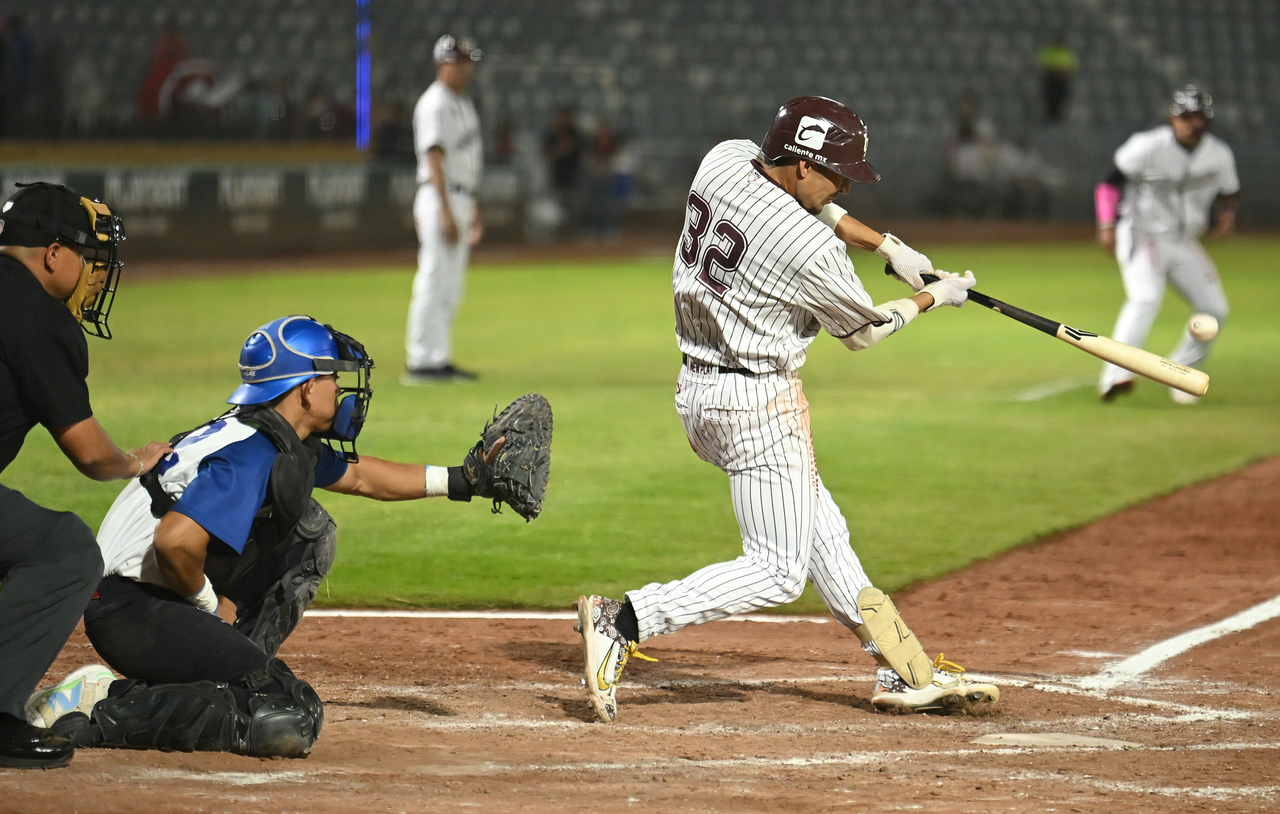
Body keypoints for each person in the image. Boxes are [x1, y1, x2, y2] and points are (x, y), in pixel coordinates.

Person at [575, 96, 1000, 723]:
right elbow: (864, 332)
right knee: (777, 572)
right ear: (803, 164)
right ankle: (625, 619)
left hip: (698, 392)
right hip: (756, 405)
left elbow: (813, 206)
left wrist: (886, 245)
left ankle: (903, 668)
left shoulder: (722, 160)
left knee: (823, 532)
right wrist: (935, 294)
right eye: (838, 172)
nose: (844, 184)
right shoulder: (808, 249)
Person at [24, 315, 509, 758]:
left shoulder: (269, 437)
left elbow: (365, 478)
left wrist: (464, 480)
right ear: (304, 389)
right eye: (332, 377)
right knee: (287, 717)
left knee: (309, 530)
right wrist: (208, 605)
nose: (341, 388)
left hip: (146, 595)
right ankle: (97, 705)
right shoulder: (251, 453)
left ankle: (234, 673)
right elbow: (174, 542)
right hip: (130, 608)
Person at [0, 182, 171, 769]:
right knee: (66, 551)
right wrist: (135, 461)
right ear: (52, 254)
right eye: (90, 260)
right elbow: (90, 454)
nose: (96, 276)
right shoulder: (35, 313)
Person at [1094, 86, 1238, 404]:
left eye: (1198, 117)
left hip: (1184, 241)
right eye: (1185, 116)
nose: (1192, 123)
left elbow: (1230, 192)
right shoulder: (1147, 146)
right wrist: (1107, 224)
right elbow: (1109, 182)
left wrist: (1227, 214)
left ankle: (1182, 372)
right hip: (1143, 233)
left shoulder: (1219, 154)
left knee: (1216, 311)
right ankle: (1114, 376)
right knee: (1145, 298)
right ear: (1172, 117)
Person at [402, 34, 484, 384]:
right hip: (441, 196)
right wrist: (447, 210)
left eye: (467, 61)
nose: (465, 68)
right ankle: (421, 360)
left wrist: (470, 207)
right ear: (442, 65)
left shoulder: (460, 102)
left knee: (450, 284)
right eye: (458, 61)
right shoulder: (434, 103)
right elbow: (434, 157)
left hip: (459, 196)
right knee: (434, 279)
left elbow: (463, 160)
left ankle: (439, 358)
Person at [1037, 33, 1078, 124]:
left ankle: (1059, 117)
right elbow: (1044, 64)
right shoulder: (1049, 51)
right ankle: (1051, 117)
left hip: (1062, 80)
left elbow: (1072, 66)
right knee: (1050, 98)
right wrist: (1055, 71)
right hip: (1051, 80)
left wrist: (1063, 72)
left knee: (1062, 98)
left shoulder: (1067, 52)